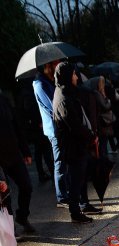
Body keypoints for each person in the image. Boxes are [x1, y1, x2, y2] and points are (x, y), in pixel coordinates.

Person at [53, 62, 98, 224]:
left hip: (77, 144)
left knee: (81, 176)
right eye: (73, 74)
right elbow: (74, 125)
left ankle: (83, 205)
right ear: (66, 76)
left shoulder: (68, 93)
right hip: (73, 146)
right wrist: (90, 136)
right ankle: (75, 212)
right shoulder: (64, 98)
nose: (76, 77)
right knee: (75, 179)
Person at [33, 60, 69, 206]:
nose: (56, 67)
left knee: (63, 160)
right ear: (47, 67)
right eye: (54, 65)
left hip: (57, 126)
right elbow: (52, 105)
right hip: (54, 128)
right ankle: (61, 196)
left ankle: (66, 192)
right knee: (59, 161)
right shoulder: (40, 84)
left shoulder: (48, 81)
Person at [0, 92, 34, 234]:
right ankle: (10, 230)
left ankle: (22, 216)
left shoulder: (3, 99)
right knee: (4, 194)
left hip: (13, 153)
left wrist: (25, 151)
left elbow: (16, 125)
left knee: (27, 186)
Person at [85, 76, 115, 158]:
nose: (104, 85)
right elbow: (105, 106)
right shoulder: (97, 93)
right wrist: (108, 100)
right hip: (101, 122)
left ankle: (104, 159)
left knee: (104, 142)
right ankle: (104, 161)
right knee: (103, 142)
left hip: (101, 121)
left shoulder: (97, 93)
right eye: (102, 83)